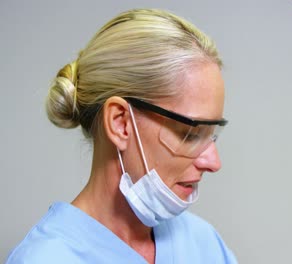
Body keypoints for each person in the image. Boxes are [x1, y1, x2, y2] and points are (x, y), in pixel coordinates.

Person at [7, 8, 237, 264]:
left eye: (211, 134)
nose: (214, 162)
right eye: (191, 133)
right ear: (120, 124)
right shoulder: (47, 259)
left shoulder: (203, 243)